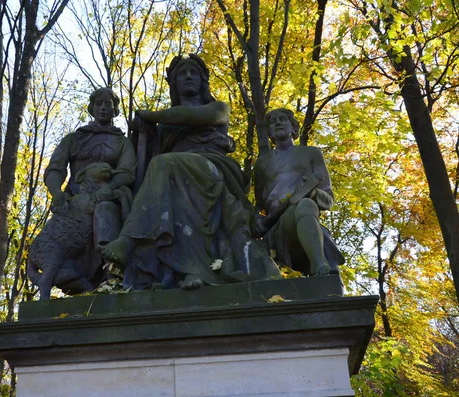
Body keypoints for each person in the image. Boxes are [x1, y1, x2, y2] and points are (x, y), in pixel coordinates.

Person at [101, 54, 280, 290]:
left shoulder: (218, 108)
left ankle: (127, 240)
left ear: (202, 81)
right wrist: (141, 132)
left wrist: (151, 116)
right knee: (171, 185)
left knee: (164, 164)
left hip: (212, 167)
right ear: (174, 83)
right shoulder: (164, 125)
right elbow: (145, 158)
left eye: (193, 73)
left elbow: (189, 116)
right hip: (175, 176)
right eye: (181, 74)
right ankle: (188, 270)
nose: (187, 77)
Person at [44, 87, 136, 282]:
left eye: (108, 104)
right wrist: (56, 192)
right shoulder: (74, 139)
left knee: (104, 211)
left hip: (109, 197)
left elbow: (126, 173)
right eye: (98, 103)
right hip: (76, 199)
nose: (103, 108)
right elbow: (55, 169)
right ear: (91, 108)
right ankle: (69, 276)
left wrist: (108, 189)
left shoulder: (122, 142)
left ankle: (112, 273)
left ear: (115, 110)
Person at [253, 108, 344, 276]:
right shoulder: (262, 164)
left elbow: (328, 199)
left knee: (306, 204)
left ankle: (320, 266)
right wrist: (258, 221)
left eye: (282, 119)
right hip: (277, 227)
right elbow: (260, 204)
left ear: (294, 128)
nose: (278, 123)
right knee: (305, 205)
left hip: (306, 216)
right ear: (269, 132)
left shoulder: (311, 154)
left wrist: (312, 193)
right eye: (273, 122)